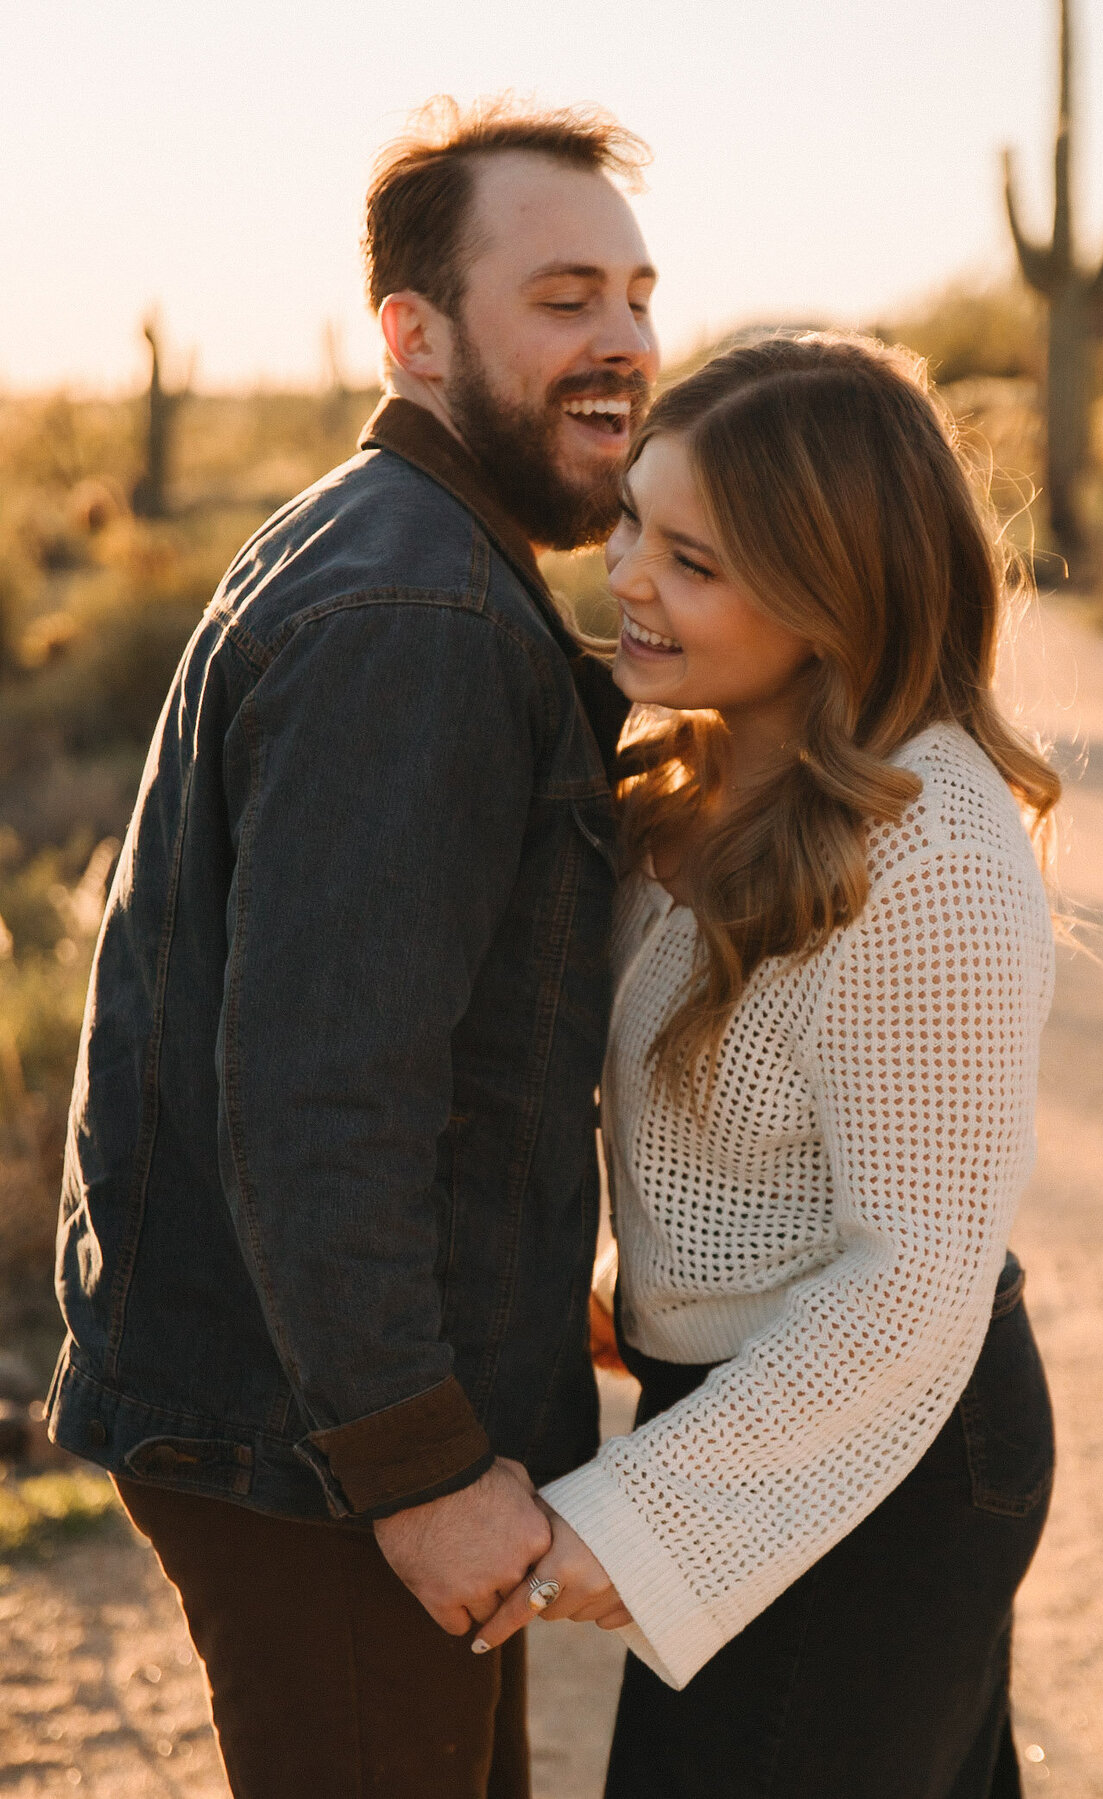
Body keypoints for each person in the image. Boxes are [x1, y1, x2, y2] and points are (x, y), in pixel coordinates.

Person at [46, 99, 659, 1799]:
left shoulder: (403, 542)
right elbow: (326, 1095)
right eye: (560, 299)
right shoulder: (416, 611)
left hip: (318, 1415)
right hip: (324, 1454)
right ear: (416, 330)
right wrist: (419, 1467)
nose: (621, 341)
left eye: (634, 293)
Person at [474, 333, 1061, 1799]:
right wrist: (652, 1289)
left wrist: (637, 1520)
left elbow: (915, 1275)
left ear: (833, 591)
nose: (627, 579)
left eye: (695, 560)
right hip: (739, 1392)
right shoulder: (692, 766)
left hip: (896, 1447)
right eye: (631, 526)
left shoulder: (929, 848)